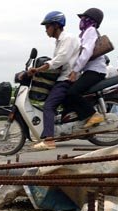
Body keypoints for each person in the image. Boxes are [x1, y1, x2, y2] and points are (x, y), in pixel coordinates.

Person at [29, 11, 80, 150]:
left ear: (56, 25)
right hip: (63, 76)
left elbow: (60, 60)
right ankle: (47, 133)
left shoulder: (67, 38)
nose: (46, 30)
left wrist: (39, 70)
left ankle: (50, 140)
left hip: (67, 78)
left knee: (49, 106)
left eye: (47, 26)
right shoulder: (59, 42)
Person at [65, 8, 107, 129]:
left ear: (90, 20)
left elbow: (86, 53)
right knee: (69, 92)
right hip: (91, 70)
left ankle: (93, 114)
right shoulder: (86, 33)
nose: (81, 21)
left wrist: (75, 71)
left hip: (95, 71)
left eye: (84, 18)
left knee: (72, 93)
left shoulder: (91, 30)